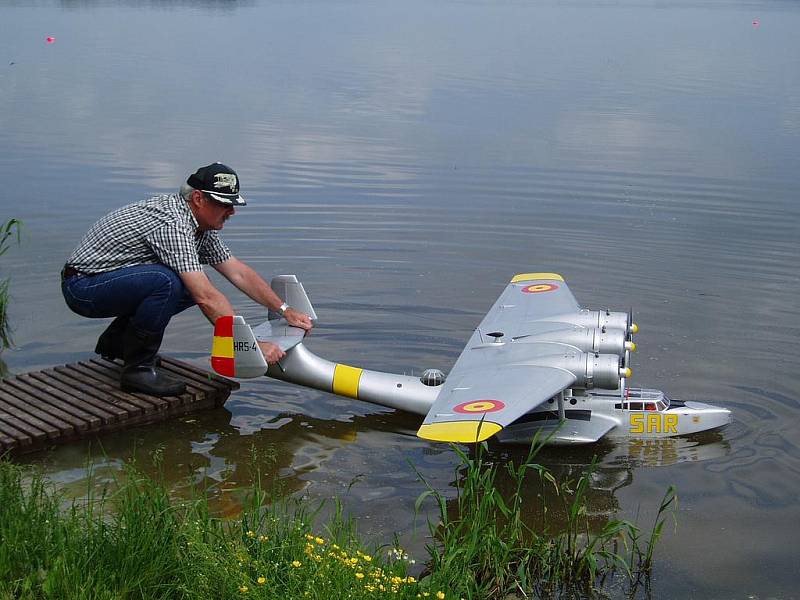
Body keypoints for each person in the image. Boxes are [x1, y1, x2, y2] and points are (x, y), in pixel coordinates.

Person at [61, 162, 313, 397]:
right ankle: (136, 371)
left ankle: (119, 344)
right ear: (198, 198)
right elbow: (205, 296)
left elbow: (238, 272)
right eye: (224, 204)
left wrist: (284, 309)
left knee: (179, 283)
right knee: (169, 282)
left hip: (107, 281)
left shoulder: (200, 226)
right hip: (84, 287)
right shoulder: (172, 224)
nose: (232, 212)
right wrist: (251, 345)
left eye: (233, 204)